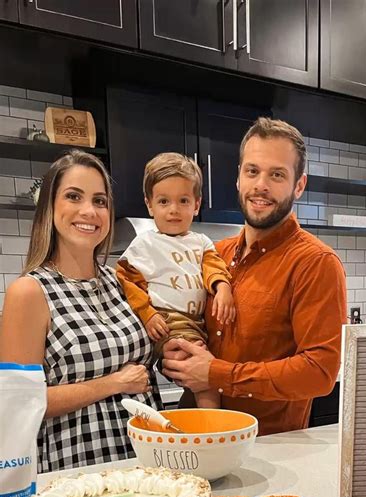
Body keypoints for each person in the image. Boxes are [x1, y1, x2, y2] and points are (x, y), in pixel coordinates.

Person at [162, 117, 347, 436]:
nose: (261, 185)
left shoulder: (316, 263)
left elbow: (319, 373)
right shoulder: (213, 253)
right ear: (238, 178)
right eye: (252, 171)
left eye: (277, 174)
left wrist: (216, 374)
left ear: (299, 185)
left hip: (267, 449)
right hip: (192, 434)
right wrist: (174, 349)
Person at [0, 150, 162, 473]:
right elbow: (19, 404)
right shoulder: (30, 293)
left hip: (148, 463)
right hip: (78, 471)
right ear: (50, 206)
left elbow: (142, 362)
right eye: (74, 196)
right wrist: (114, 383)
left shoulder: (119, 281)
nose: (89, 211)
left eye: (100, 201)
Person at [116, 152, 235, 409]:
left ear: (197, 204)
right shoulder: (145, 243)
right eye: (164, 201)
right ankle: (213, 428)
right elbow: (126, 281)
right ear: (149, 205)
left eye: (183, 201)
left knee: (202, 370)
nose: (174, 210)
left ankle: (202, 424)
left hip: (196, 323)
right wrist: (147, 314)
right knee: (203, 373)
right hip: (167, 321)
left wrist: (223, 287)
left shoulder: (201, 242)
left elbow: (214, 266)